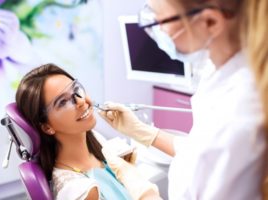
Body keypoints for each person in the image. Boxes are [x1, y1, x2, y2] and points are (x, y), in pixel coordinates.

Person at [99, 0, 268, 199]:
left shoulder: (238, 117)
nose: (157, 31)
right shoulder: (216, 72)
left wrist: (141, 190)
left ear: (210, 22)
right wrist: (142, 132)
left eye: (159, 20)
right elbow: (197, 152)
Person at [15, 63, 160, 200]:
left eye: (76, 90)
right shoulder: (80, 191)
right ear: (47, 127)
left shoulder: (96, 139)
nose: (80, 101)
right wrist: (136, 182)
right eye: (63, 102)